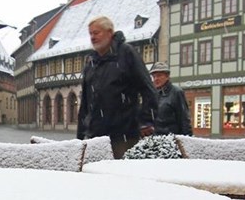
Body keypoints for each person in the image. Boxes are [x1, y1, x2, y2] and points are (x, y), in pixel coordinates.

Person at [76, 16, 157, 159]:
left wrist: (146, 121)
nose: (92, 37)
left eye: (96, 33)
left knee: (121, 172)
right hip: (96, 136)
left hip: (123, 135)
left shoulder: (126, 53)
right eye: (90, 34)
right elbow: (86, 104)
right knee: (94, 172)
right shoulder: (91, 62)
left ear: (109, 32)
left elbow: (148, 89)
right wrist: (80, 136)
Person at [150, 62, 192, 136]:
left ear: (167, 77)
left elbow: (184, 118)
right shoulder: (154, 93)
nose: (156, 79)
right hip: (155, 138)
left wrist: (188, 138)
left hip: (171, 138)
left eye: (159, 75)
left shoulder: (176, 92)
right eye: (154, 77)